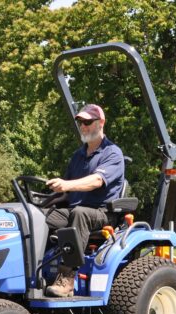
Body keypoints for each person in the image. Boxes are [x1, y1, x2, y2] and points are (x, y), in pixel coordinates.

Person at [45, 104, 125, 297]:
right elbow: (66, 192)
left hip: (101, 213)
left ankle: (67, 280)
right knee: (39, 218)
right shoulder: (78, 156)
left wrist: (66, 185)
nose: (83, 126)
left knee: (80, 214)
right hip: (74, 210)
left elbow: (96, 181)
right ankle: (36, 271)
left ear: (101, 123)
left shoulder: (113, 153)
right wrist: (43, 202)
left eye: (88, 122)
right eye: (81, 122)